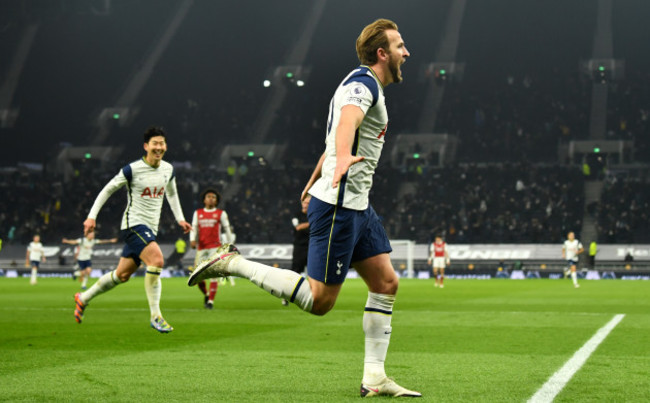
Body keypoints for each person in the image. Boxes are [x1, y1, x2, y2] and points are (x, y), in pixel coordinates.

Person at [189, 19, 420, 398]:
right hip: (340, 208)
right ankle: (233, 263)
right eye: (400, 46)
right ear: (382, 54)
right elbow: (346, 123)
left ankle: (375, 377)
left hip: (359, 206)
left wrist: (316, 174)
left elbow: (334, 136)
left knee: (386, 283)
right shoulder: (363, 87)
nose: (406, 53)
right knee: (319, 301)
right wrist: (343, 156)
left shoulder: (362, 82)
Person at [73, 126, 192, 333]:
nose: (159, 147)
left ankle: (83, 298)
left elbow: (172, 194)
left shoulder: (168, 170)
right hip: (133, 225)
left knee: (122, 275)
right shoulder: (132, 170)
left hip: (150, 229)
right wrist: (91, 217)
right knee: (157, 261)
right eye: (154, 143)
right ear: (146, 146)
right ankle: (156, 316)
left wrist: (180, 219)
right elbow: (107, 189)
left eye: (162, 143)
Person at [189, 188, 234, 309]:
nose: (211, 198)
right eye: (208, 196)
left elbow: (227, 229)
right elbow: (194, 227)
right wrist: (192, 239)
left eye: (213, 197)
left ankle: (210, 302)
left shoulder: (221, 213)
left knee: (213, 275)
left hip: (215, 247)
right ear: (204, 200)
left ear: (216, 201)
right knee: (196, 276)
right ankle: (207, 294)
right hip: (201, 248)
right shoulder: (197, 213)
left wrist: (230, 244)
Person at [282, 195, 311, 306]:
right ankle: (286, 296)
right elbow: (298, 227)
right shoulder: (296, 215)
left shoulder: (313, 215)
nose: (306, 205)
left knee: (313, 274)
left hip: (312, 247)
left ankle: (311, 298)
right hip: (299, 248)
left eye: (308, 203)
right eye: (304, 202)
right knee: (294, 274)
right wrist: (312, 223)